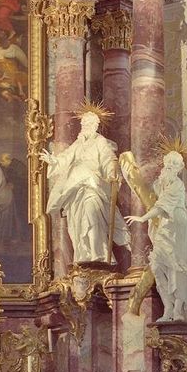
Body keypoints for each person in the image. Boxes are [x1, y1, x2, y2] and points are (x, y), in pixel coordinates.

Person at [125, 150, 187, 322]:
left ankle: (178, 310)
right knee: (157, 266)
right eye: (168, 162)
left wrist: (142, 217)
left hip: (178, 224)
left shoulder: (177, 185)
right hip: (166, 224)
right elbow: (158, 199)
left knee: (178, 268)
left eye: (173, 164)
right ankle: (168, 308)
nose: (169, 166)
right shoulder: (164, 184)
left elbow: (161, 206)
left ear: (179, 168)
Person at [41, 107, 130, 264]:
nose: (84, 127)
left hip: (93, 186)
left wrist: (111, 173)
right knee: (77, 223)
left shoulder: (99, 142)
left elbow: (109, 159)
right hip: (75, 189)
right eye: (83, 124)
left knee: (91, 214)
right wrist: (54, 161)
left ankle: (99, 255)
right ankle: (84, 255)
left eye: (87, 124)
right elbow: (66, 158)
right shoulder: (78, 143)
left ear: (95, 126)